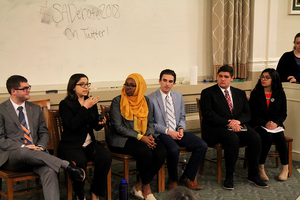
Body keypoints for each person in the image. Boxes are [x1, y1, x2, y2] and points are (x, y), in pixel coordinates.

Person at [0, 75, 85, 200]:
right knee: (24, 151)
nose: (28, 90)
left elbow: (44, 133)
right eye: (25, 88)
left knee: (49, 171)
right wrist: (24, 146)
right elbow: (1, 140)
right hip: (13, 157)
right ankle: (66, 165)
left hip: (37, 156)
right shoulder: (1, 110)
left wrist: (40, 146)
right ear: (13, 91)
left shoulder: (34, 109)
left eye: (29, 87)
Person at [200, 65, 268, 190]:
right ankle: (229, 176)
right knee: (232, 138)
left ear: (232, 78)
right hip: (215, 129)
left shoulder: (240, 93)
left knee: (255, 137)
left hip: (237, 126)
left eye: (226, 77)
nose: (222, 79)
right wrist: (229, 122)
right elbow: (208, 115)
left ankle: (253, 175)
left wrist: (237, 122)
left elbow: (248, 114)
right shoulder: (208, 93)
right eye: (220, 76)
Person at [106, 73, 167, 200]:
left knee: (161, 151)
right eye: (126, 85)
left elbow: (150, 122)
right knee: (145, 152)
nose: (128, 88)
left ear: (139, 86)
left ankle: (139, 185)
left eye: (132, 85)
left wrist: (149, 135)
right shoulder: (118, 101)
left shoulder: (145, 101)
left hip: (143, 136)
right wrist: (140, 137)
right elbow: (118, 127)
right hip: (122, 139)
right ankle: (147, 188)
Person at [147, 69, 207, 190]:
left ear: (174, 83)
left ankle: (187, 177)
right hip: (162, 133)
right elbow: (151, 123)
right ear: (159, 81)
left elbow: (182, 117)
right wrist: (169, 132)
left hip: (177, 131)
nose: (167, 84)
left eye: (170, 81)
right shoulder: (150, 98)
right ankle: (172, 179)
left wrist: (180, 129)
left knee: (202, 145)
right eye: (164, 80)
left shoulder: (178, 96)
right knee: (174, 149)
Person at [58, 73, 112, 200]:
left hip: (88, 143)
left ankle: (95, 192)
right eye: (81, 84)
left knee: (105, 157)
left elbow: (94, 126)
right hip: (71, 145)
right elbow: (72, 126)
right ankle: (80, 195)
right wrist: (85, 108)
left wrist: (100, 123)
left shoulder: (90, 101)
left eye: (87, 84)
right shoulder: (65, 104)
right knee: (80, 162)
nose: (85, 87)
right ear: (73, 87)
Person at [249, 68, 288, 181]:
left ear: (273, 79)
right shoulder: (256, 93)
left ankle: (285, 168)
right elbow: (252, 114)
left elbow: (283, 114)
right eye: (262, 77)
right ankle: (261, 167)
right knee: (268, 136)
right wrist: (265, 123)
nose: (263, 79)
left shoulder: (280, 93)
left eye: (267, 77)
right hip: (258, 124)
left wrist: (275, 123)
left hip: (275, 125)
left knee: (280, 137)